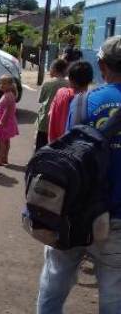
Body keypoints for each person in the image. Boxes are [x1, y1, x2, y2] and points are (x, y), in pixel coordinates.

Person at [36, 36, 121, 314]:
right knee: (113, 295)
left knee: (54, 284)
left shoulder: (83, 103)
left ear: (101, 65)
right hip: (119, 217)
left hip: (76, 214)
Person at [47, 61, 94, 143]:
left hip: (55, 145)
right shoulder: (91, 99)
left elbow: (50, 114)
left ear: (70, 78)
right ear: (90, 81)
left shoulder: (61, 93)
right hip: (77, 149)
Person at [34, 58, 69, 150]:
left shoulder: (48, 83)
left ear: (54, 69)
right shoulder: (69, 84)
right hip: (61, 121)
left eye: (50, 68)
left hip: (44, 120)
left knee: (40, 147)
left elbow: (41, 100)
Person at [0, 75, 19, 166]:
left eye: (4, 83)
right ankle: (4, 158)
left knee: (1, 140)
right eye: (0, 82)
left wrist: (2, 121)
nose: (1, 85)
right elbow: (6, 107)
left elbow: (8, 110)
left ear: (10, 85)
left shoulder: (8, 96)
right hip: (8, 122)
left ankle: (0, 159)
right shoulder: (9, 95)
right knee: (5, 140)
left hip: (4, 122)